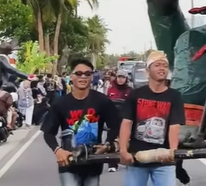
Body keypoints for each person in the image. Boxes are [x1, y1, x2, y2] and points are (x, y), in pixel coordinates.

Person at [41, 59, 121, 186]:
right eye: (78, 73)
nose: (83, 77)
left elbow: (115, 126)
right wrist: (58, 150)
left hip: (93, 162)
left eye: (87, 74)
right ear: (71, 77)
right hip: (69, 162)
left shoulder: (103, 101)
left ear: (92, 77)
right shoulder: (60, 104)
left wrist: (106, 145)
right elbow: (48, 133)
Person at [120, 51, 185, 186]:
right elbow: (127, 123)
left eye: (165, 65)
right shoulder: (135, 94)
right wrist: (123, 150)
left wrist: (172, 151)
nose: (162, 68)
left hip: (164, 159)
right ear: (148, 70)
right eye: (157, 65)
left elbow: (175, 126)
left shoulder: (175, 96)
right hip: (136, 157)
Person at [107, 70, 132, 173]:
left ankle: (128, 160)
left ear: (126, 79)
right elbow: (106, 104)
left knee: (126, 142)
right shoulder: (111, 89)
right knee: (110, 141)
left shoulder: (130, 91)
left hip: (125, 120)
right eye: (119, 77)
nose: (120, 79)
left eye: (123, 77)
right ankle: (112, 164)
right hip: (113, 119)